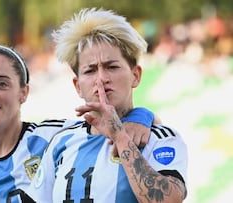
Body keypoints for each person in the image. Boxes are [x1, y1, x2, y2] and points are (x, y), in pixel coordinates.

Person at [0, 44, 156, 203]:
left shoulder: (54, 137)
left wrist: (140, 116)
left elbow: (113, 122)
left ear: (24, 93)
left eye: (2, 83)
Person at [25, 7, 188, 203]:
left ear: (135, 76)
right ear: (77, 86)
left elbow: (168, 200)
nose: (101, 79)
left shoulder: (160, 138)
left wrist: (120, 137)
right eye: (90, 71)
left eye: (112, 67)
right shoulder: (62, 142)